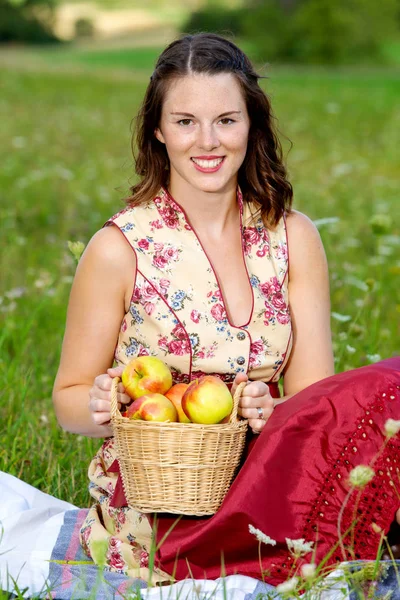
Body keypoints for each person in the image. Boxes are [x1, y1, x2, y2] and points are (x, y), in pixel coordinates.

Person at [52, 33, 400, 586]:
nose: (207, 141)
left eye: (226, 120)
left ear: (251, 125)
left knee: (387, 389)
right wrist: (102, 404)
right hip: (164, 503)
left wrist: (270, 410)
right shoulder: (118, 249)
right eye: (186, 121)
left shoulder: (293, 236)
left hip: (270, 478)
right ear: (158, 131)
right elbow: (67, 401)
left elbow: (314, 405)